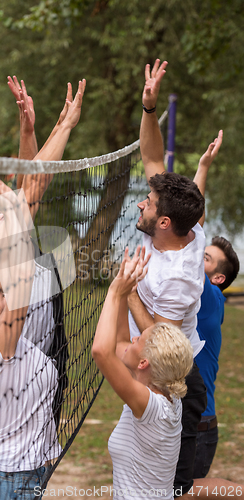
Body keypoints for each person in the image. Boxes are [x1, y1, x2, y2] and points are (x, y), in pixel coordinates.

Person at [0, 80, 85, 499]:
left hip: (29, 389)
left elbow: (28, 192)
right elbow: (28, 195)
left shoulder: (12, 245)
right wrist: (63, 128)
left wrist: (30, 132)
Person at [131, 59, 244, 499]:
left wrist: (125, 293)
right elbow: (152, 156)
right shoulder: (187, 233)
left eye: (148, 201)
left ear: (163, 222)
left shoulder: (179, 276)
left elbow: (160, 338)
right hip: (161, 374)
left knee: (176, 490)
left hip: (179, 379)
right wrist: (149, 107)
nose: (141, 201)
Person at [92, 247, 194, 500]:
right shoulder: (168, 392)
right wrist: (128, 293)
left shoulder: (150, 407)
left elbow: (102, 352)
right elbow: (118, 345)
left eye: (139, 340)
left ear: (143, 364)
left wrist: (115, 291)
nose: (134, 337)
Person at [192, 137, 240, 478]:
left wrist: (203, 169)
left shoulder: (210, 296)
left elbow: (194, 227)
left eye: (206, 258)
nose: (198, 257)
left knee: (178, 493)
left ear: (218, 277)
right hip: (189, 420)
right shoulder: (198, 293)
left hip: (198, 426)